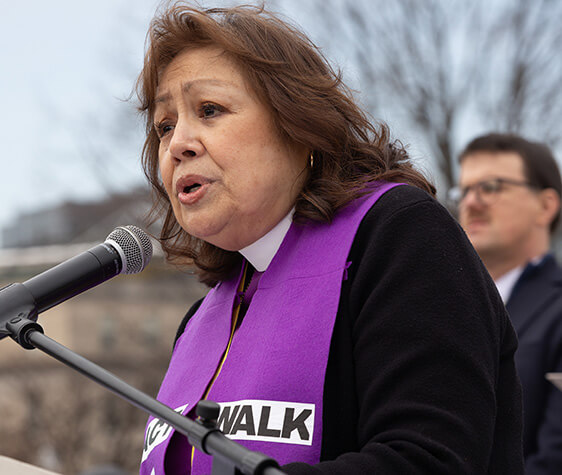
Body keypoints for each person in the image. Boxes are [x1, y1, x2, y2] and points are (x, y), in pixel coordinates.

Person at [136, 4, 523, 474]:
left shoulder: (400, 240)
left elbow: (430, 460)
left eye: (210, 110)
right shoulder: (202, 320)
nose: (177, 145)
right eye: (164, 126)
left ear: (300, 125)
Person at [454, 133, 562, 474]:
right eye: (464, 191)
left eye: (491, 186)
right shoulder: (439, 310)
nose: (471, 202)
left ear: (545, 206)